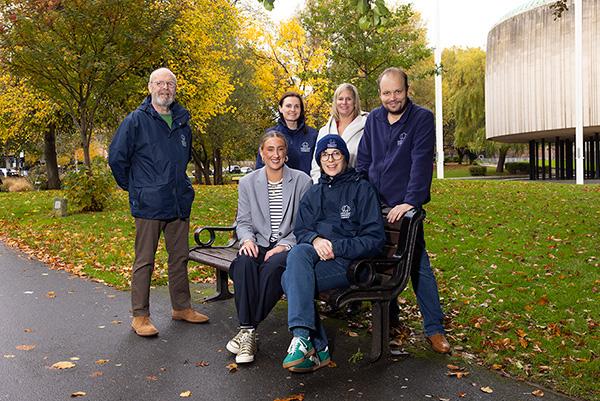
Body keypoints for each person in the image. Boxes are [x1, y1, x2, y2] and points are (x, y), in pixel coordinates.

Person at [108, 67, 208, 337]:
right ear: (150, 87)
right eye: (160, 83)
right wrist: (136, 188)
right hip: (149, 204)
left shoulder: (182, 122)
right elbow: (116, 158)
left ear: (175, 89)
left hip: (177, 202)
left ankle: (182, 307)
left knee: (179, 258)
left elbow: (182, 160)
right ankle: (140, 316)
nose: (165, 88)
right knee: (145, 261)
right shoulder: (136, 120)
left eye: (170, 84)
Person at [356, 67, 450, 354]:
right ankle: (391, 323)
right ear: (380, 94)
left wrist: (410, 202)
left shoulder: (421, 118)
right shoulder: (373, 119)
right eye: (386, 93)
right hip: (376, 206)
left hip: (404, 208)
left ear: (407, 90)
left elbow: (421, 162)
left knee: (418, 264)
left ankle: (434, 329)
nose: (392, 98)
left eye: (397, 91)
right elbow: (363, 162)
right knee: (381, 263)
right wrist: (365, 199)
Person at [281, 135, 385, 373]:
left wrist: (336, 247)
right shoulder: (314, 192)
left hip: (352, 264)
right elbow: (301, 230)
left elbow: (375, 239)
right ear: (319, 160)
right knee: (298, 255)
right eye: (325, 155)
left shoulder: (362, 189)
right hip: (320, 259)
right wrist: (315, 240)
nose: (330, 159)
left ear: (345, 158)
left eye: (336, 154)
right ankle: (308, 341)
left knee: (288, 279)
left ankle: (311, 343)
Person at [227, 131, 312, 364]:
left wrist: (284, 245)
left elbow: (305, 224)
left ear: (286, 153)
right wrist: (247, 240)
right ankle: (248, 330)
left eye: (280, 149)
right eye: (270, 149)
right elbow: (243, 221)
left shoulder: (302, 181)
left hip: (288, 245)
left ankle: (247, 330)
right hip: (258, 242)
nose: (276, 154)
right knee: (243, 263)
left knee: (273, 267)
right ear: (262, 153)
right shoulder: (247, 182)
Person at [309, 83, 368, 183]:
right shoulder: (324, 130)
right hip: (328, 186)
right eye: (340, 99)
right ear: (335, 102)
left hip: (355, 185)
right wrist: (318, 185)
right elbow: (316, 165)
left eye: (348, 99)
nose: (344, 102)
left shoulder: (367, 127)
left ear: (355, 102)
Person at [256, 92, 318, 176]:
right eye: (288, 106)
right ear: (280, 108)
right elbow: (260, 165)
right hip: (278, 183)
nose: (292, 110)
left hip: (305, 183)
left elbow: (318, 166)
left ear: (301, 110)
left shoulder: (312, 135)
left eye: (296, 106)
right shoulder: (271, 134)